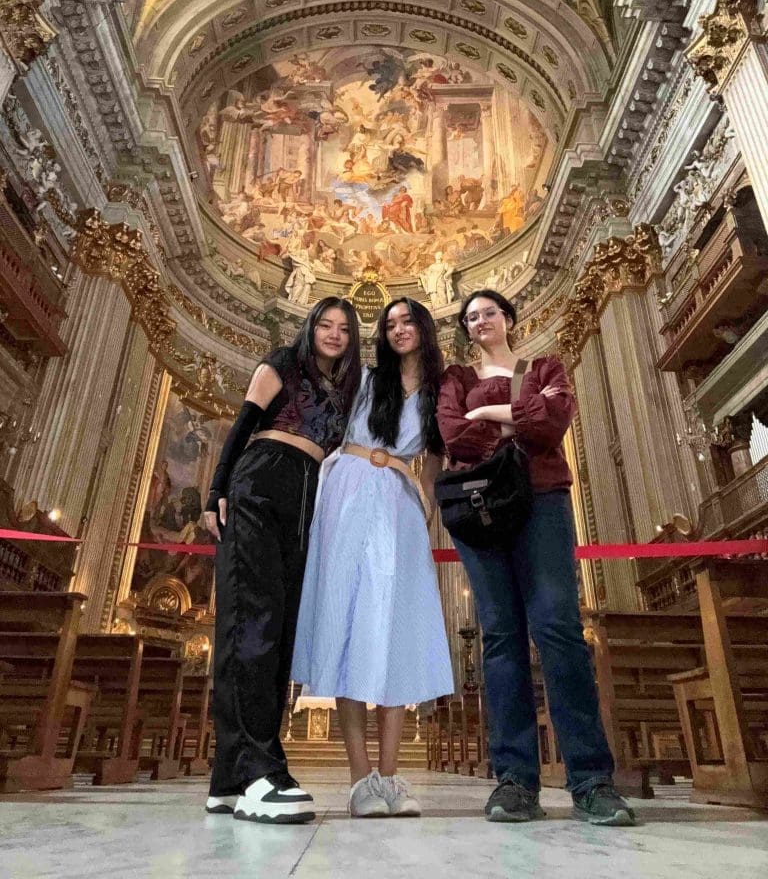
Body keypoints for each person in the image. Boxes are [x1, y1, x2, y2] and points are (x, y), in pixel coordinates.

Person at [436, 289, 636, 827]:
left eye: (489, 313)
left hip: (543, 501)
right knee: (500, 636)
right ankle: (515, 781)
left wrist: (489, 411)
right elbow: (455, 435)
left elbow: (553, 424)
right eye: (471, 317)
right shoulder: (455, 378)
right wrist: (516, 417)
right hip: (479, 508)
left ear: (508, 318)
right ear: (465, 328)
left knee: (558, 628)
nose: (481, 322)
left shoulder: (546, 364)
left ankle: (591, 782)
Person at [292, 298, 454, 818]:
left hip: (402, 503)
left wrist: (425, 507)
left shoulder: (438, 392)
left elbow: (431, 464)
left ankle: (389, 776)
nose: (399, 329)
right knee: (347, 624)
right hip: (350, 491)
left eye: (408, 321)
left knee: (394, 632)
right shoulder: (363, 378)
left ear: (425, 329)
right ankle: (361, 779)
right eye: (390, 324)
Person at [203, 297, 361, 824]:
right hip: (262, 477)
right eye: (326, 324)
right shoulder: (282, 364)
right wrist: (215, 489)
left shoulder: (346, 389)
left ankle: (228, 779)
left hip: (309, 493)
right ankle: (258, 773)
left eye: (344, 328)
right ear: (310, 326)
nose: (334, 334)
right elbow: (242, 425)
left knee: (279, 629)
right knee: (254, 622)